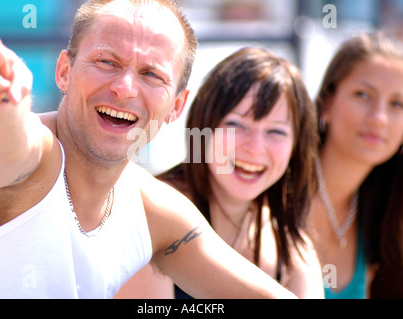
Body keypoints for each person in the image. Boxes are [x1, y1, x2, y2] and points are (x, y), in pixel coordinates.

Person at [0, 0, 298, 299]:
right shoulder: (35, 152)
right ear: (64, 71)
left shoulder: (153, 211)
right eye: (106, 62)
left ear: (176, 106)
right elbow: (3, 148)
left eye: (151, 74)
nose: (124, 88)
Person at [115, 46, 324, 299]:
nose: (255, 148)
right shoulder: (153, 213)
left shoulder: (290, 245)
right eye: (236, 125)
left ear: (296, 147)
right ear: (204, 127)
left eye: (276, 132)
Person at [307, 31, 403, 299]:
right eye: (363, 95)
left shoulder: (383, 218)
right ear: (327, 102)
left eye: (398, 104)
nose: (379, 118)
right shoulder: (275, 190)